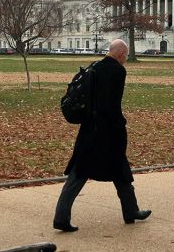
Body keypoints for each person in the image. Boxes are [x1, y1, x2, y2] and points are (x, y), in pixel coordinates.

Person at [53, 39, 150, 232]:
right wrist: (120, 124)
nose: (125, 60)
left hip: (90, 127)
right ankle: (62, 218)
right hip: (108, 131)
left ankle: (130, 210)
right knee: (110, 169)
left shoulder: (94, 67)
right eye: (125, 56)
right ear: (121, 54)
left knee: (94, 171)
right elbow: (112, 103)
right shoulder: (118, 71)